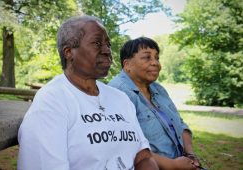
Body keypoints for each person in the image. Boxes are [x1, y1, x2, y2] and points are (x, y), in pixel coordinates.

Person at [17, 16, 159, 170]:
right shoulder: (52, 102)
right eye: (97, 43)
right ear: (69, 52)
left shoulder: (120, 98)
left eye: (108, 44)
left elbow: (143, 156)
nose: (107, 50)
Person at [109, 37, 201, 170]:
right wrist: (173, 165)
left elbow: (180, 124)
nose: (155, 63)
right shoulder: (117, 93)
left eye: (157, 58)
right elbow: (125, 146)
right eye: (147, 57)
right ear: (127, 64)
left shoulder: (158, 89)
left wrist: (190, 155)